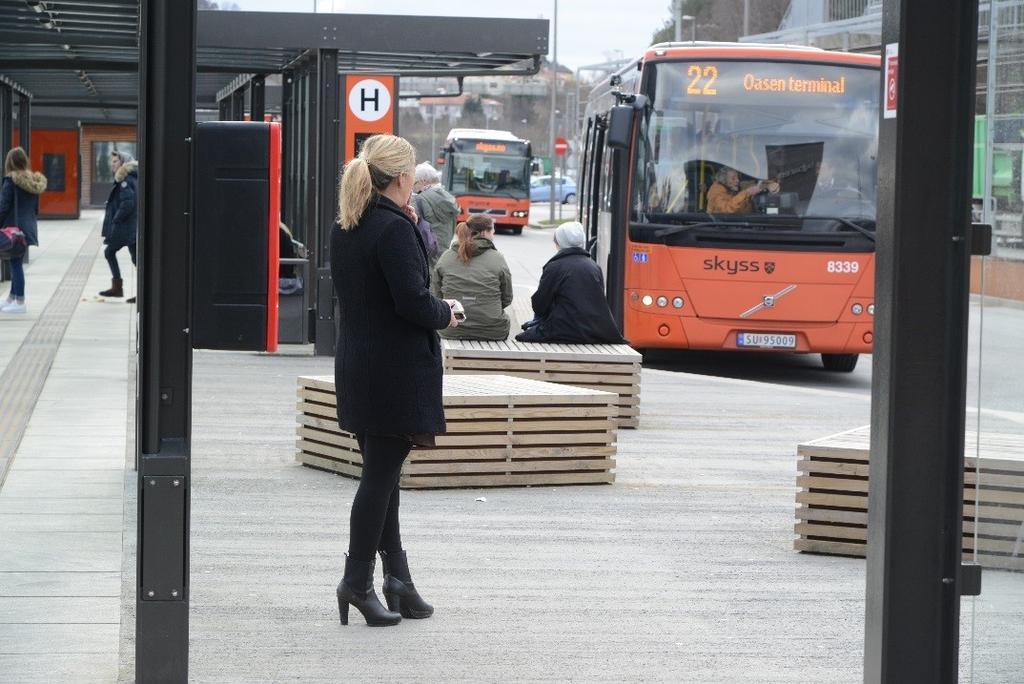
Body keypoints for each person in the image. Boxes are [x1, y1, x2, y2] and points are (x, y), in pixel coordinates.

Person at [331, 134, 460, 627]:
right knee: (379, 480)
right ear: (405, 178)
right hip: (393, 371)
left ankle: (397, 580)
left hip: (360, 365)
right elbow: (411, 302)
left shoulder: (349, 225)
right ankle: (357, 581)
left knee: (383, 479)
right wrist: (447, 313)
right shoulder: (393, 229)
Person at [516, 221, 625, 345]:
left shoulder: (554, 266)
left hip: (564, 329)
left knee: (522, 336)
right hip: (596, 331)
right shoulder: (594, 266)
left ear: (560, 242)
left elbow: (539, 305)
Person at [432, 214, 513, 341]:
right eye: (492, 230)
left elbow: (436, 295)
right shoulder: (497, 258)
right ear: (483, 233)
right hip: (493, 330)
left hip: (451, 329)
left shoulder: (447, 256)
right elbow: (507, 298)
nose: (494, 234)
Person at [0, 147, 46, 314]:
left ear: (9, 162)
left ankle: (20, 302)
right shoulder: (33, 182)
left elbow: (3, 207)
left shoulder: (10, 181)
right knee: (15, 262)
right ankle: (12, 298)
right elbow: (35, 209)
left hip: (13, 228)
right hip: (27, 227)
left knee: (16, 264)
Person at [99, 150, 139, 303]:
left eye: (115, 161)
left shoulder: (125, 180)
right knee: (135, 258)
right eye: (112, 161)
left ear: (123, 163)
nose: (112, 164)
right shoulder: (130, 178)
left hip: (125, 227)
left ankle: (118, 288)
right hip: (130, 227)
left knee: (110, 252)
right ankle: (120, 288)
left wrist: (116, 219)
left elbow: (128, 203)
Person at [413, 162, 459, 264]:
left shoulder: (420, 199)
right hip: (443, 252)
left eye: (415, 183)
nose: (414, 187)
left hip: (427, 253)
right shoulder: (449, 198)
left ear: (423, 181)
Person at [706, 166, 778, 214]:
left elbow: (755, 185)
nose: (737, 180)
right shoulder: (715, 191)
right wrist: (746, 193)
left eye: (737, 177)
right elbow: (727, 209)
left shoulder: (735, 187)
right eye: (733, 178)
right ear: (723, 180)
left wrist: (768, 185)